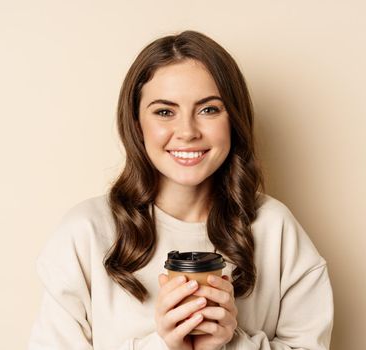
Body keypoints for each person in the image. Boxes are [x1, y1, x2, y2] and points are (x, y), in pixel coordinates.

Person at [28, 30, 333, 350]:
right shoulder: (86, 233)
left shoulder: (275, 228)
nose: (187, 132)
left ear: (234, 119)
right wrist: (163, 345)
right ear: (136, 123)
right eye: (164, 111)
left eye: (208, 109)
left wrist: (231, 343)